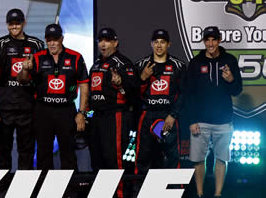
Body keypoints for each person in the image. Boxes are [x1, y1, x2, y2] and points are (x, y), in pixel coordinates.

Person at [18, 23, 88, 170]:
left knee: (68, 152)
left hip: (66, 110)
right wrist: (24, 69)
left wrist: (81, 112)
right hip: (43, 110)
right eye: (49, 40)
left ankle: (70, 191)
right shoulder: (37, 58)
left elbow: (84, 85)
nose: (52, 43)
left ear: (62, 39)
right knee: (43, 152)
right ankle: (45, 189)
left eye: (55, 39)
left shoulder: (75, 57)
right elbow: (23, 80)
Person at [183, 26, 242, 198]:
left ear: (219, 40)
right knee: (198, 160)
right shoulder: (196, 62)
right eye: (207, 40)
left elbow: (237, 90)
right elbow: (189, 94)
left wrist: (231, 79)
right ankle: (200, 193)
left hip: (224, 120)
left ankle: (218, 194)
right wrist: (192, 120)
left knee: (222, 159)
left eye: (213, 39)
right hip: (200, 121)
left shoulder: (230, 60)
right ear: (203, 41)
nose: (210, 43)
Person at [0, 9, 44, 171]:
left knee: (26, 152)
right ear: (7, 25)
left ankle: (24, 189)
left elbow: (42, 76)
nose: (14, 26)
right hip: (4, 108)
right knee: (3, 151)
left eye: (17, 23)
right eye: (11, 24)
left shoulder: (36, 44)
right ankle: (2, 188)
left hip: (27, 107)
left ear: (24, 23)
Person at [87, 27, 137, 198]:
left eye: (107, 40)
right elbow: (91, 96)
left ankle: (121, 195)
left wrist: (121, 82)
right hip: (96, 117)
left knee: (114, 159)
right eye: (100, 40)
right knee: (97, 159)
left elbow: (133, 89)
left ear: (115, 42)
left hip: (116, 116)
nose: (103, 44)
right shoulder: (96, 64)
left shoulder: (123, 63)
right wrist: (87, 115)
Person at [134, 29, 186, 175]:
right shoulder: (141, 65)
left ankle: (174, 191)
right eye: (156, 42)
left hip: (168, 116)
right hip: (147, 116)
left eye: (162, 42)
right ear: (151, 44)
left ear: (168, 44)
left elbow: (183, 94)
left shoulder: (178, 66)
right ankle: (140, 192)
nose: (159, 45)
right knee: (143, 157)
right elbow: (132, 94)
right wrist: (142, 78)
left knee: (172, 158)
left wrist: (173, 115)